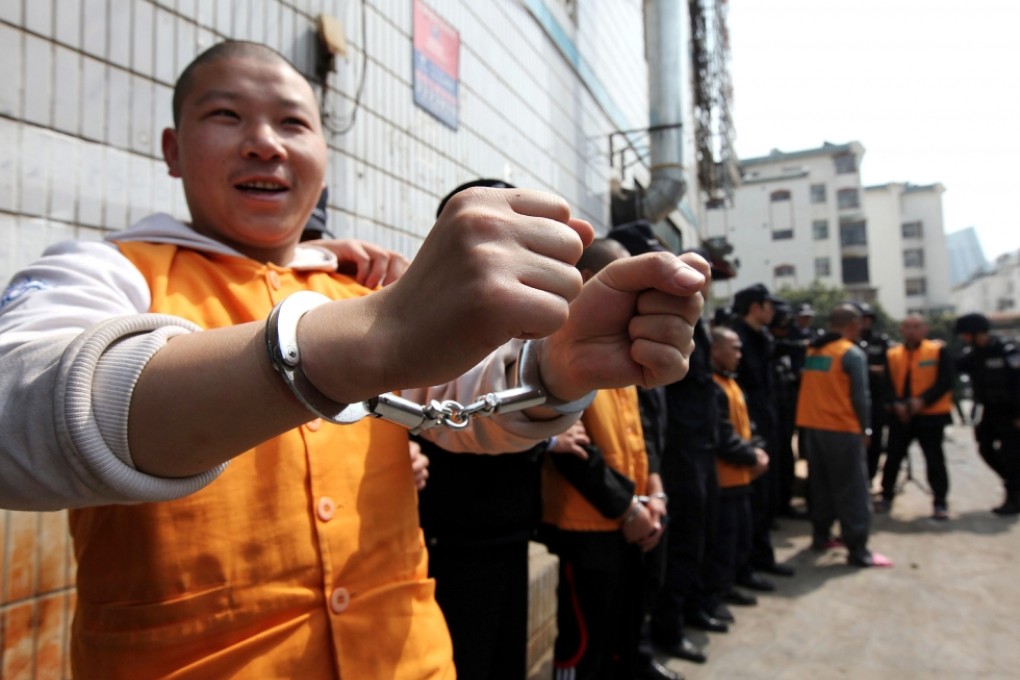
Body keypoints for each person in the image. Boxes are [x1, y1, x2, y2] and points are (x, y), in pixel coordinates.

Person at [0, 41, 708, 678]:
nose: (264, 145)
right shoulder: (105, 272)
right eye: (226, 116)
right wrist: (356, 342)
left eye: (293, 123)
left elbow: (465, 409)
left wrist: (556, 368)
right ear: (172, 149)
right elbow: (15, 416)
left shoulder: (360, 288)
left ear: (324, 156)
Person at [539, 238, 671, 680]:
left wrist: (654, 493)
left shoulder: (625, 345)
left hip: (630, 517)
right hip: (584, 522)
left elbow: (642, 432)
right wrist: (626, 507)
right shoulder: (555, 346)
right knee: (583, 644)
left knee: (622, 627)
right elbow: (571, 447)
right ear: (594, 282)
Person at [796, 304, 892, 568]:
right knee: (853, 490)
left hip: (813, 428)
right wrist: (866, 429)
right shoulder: (851, 353)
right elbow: (861, 397)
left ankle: (821, 535)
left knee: (821, 486)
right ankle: (858, 550)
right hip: (842, 428)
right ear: (854, 324)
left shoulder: (814, 350)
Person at [703, 327, 769, 617]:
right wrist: (750, 456)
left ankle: (735, 580)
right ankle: (715, 594)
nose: (739, 355)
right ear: (715, 350)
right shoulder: (711, 387)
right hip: (725, 479)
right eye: (734, 348)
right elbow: (723, 436)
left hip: (743, 477)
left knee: (741, 536)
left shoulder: (731, 384)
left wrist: (758, 449)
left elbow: (747, 426)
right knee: (723, 542)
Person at [730, 283, 795, 581]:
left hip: (768, 425)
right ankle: (744, 567)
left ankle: (762, 557)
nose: (774, 312)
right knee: (749, 503)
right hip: (745, 430)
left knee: (766, 497)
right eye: (769, 306)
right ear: (756, 307)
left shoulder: (763, 338)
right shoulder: (736, 340)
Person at [877, 314, 954, 519]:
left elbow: (945, 380)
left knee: (934, 458)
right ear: (901, 330)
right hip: (900, 416)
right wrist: (896, 404)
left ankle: (940, 502)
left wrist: (922, 401)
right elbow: (886, 383)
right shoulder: (892, 353)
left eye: (916, 326)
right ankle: (886, 496)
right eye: (907, 326)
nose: (912, 330)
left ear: (924, 329)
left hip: (930, 415)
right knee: (893, 457)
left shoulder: (937, 351)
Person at [954, 313, 1020, 515]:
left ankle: (1014, 497)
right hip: (990, 410)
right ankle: (1013, 483)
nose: (963, 338)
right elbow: (953, 366)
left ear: (976, 333)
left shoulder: (1007, 350)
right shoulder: (974, 354)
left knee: (1012, 455)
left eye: (965, 334)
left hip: (1012, 411)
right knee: (985, 448)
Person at [857, 303, 894, 485]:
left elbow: (890, 368)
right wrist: (871, 369)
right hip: (854, 398)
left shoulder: (881, 342)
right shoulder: (849, 342)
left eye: (867, 319)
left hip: (877, 398)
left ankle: (870, 477)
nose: (864, 323)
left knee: (876, 440)